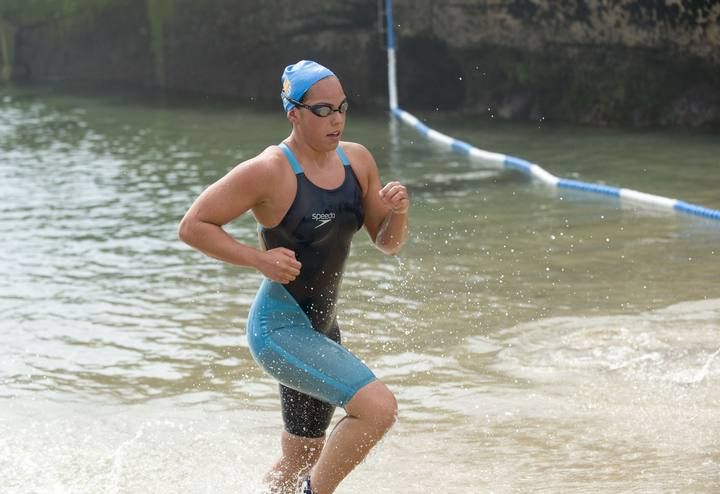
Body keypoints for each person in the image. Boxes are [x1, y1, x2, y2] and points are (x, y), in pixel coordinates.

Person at [178, 60, 409, 494]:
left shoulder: (357, 161)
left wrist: (398, 213)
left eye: (342, 107)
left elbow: (386, 242)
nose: (336, 118)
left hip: (321, 330)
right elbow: (193, 225)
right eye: (322, 110)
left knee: (301, 456)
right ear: (294, 113)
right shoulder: (269, 170)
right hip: (280, 329)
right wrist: (258, 260)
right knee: (379, 409)